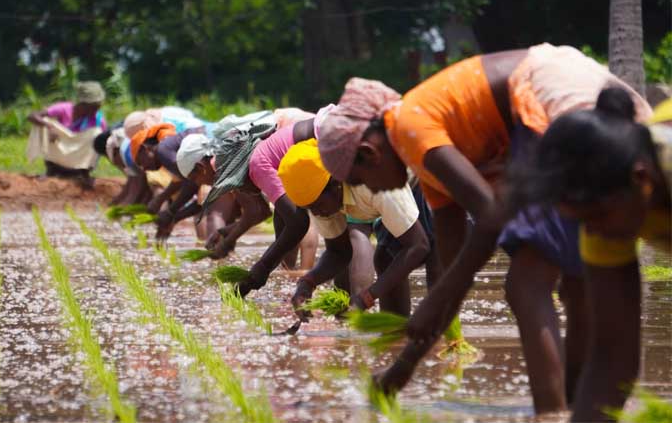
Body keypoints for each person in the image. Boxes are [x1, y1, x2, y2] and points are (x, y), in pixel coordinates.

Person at [316, 44, 652, 415]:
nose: (372, 191)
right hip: (566, 92)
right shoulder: (425, 158)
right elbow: (454, 263)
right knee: (570, 278)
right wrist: (404, 367)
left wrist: (433, 303)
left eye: (360, 179)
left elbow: (490, 215)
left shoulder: (409, 127)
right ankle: (573, 406)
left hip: (551, 98)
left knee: (527, 281)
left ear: (369, 151)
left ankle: (553, 412)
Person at [507, 87, 669, 422]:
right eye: (579, 221)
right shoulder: (605, 213)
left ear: (641, 180)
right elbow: (612, 359)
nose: (591, 233)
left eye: (595, 218)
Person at [278, 139, 435, 318]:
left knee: (434, 260)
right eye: (309, 208)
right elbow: (338, 252)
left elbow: (418, 245)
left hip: (423, 172)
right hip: (393, 188)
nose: (317, 213)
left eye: (318, 205)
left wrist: (367, 297)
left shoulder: (373, 183)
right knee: (385, 257)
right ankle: (396, 335)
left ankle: (442, 336)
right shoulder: (320, 197)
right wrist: (307, 283)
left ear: (336, 184)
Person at [198, 109, 322, 297]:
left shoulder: (258, 164)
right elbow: (282, 225)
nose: (239, 191)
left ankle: (305, 274)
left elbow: (299, 221)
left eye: (237, 185)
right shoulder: (266, 159)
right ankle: (294, 277)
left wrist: (261, 268)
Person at [27, 81, 108, 186]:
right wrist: (48, 127)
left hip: (78, 163)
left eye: (98, 106)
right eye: (93, 106)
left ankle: (84, 173)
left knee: (97, 134)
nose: (96, 109)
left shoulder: (98, 120)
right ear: (83, 103)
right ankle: (51, 169)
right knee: (46, 121)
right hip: (58, 155)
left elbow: (103, 145)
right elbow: (32, 116)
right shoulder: (64, 108)